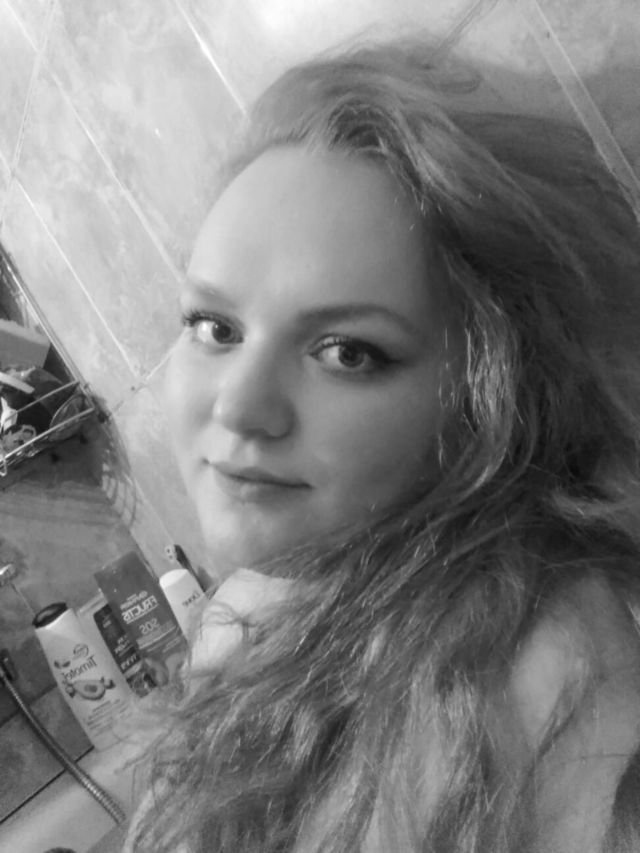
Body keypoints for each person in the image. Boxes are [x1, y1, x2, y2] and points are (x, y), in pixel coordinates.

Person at [125, 40, 640, 853]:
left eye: (347, 352)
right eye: (214, 327)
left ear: (493, 393)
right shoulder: (247, 606)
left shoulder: (544, 679)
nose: (239, 406)